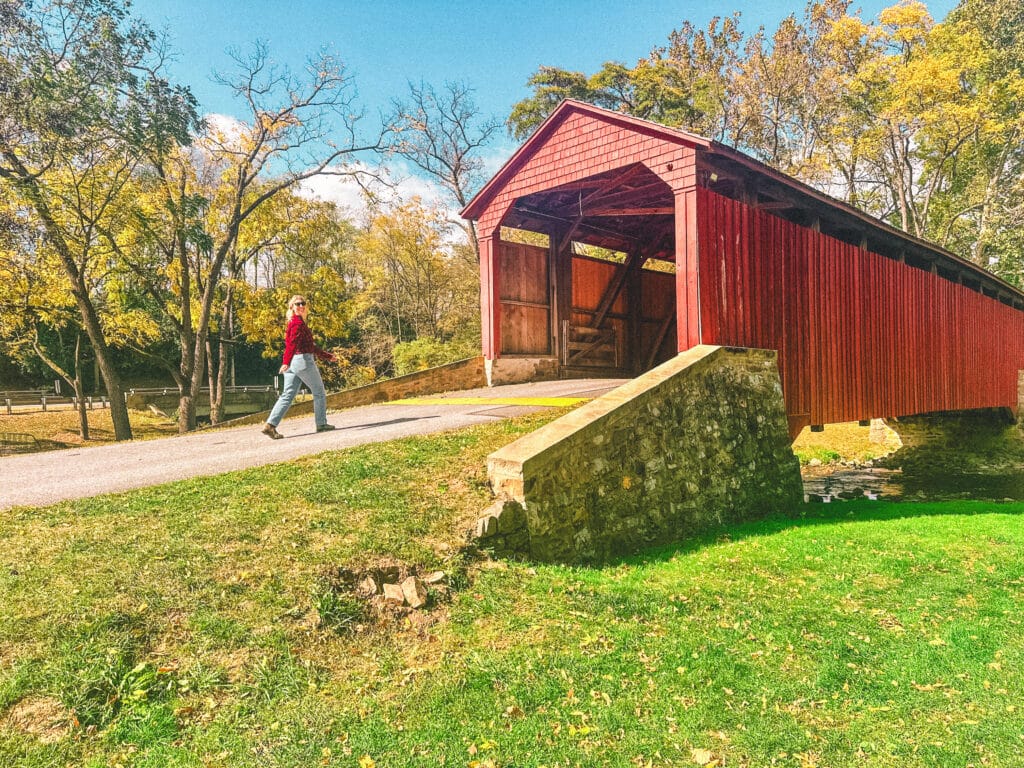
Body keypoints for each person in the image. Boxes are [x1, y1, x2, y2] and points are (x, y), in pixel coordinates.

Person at [262, 294, 337, 439]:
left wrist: (327, 356)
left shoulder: (294, 323)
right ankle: (321, 424)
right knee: (319, 392)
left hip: (293, 363)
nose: (301, 306)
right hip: (302, 361)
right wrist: (285, 361)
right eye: (297, 304)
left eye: (303, 303)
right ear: (292, 307)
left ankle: (270, 425)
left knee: (287, 395)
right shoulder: (297, 324)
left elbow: (309, 346)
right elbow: (292, 345)